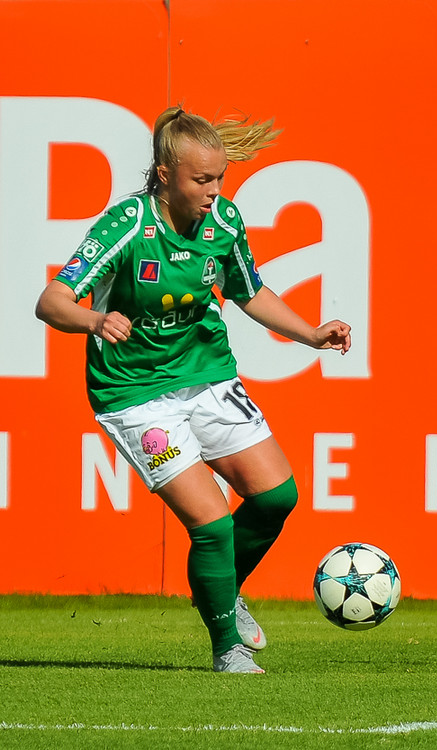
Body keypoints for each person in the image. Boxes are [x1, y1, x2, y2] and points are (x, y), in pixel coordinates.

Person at [36, 106, 351, 674]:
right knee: (211, 523)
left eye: (219, 178)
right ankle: (228, 647)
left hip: (208, 376)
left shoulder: (223, 222)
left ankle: (221, 590)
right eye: (202, 179)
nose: (214, 191)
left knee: (276, 497)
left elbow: (250, 292)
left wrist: (309, 334)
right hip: (136, 395)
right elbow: (51, 301)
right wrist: (94, 320)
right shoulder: (126, 225)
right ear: (165, 174)